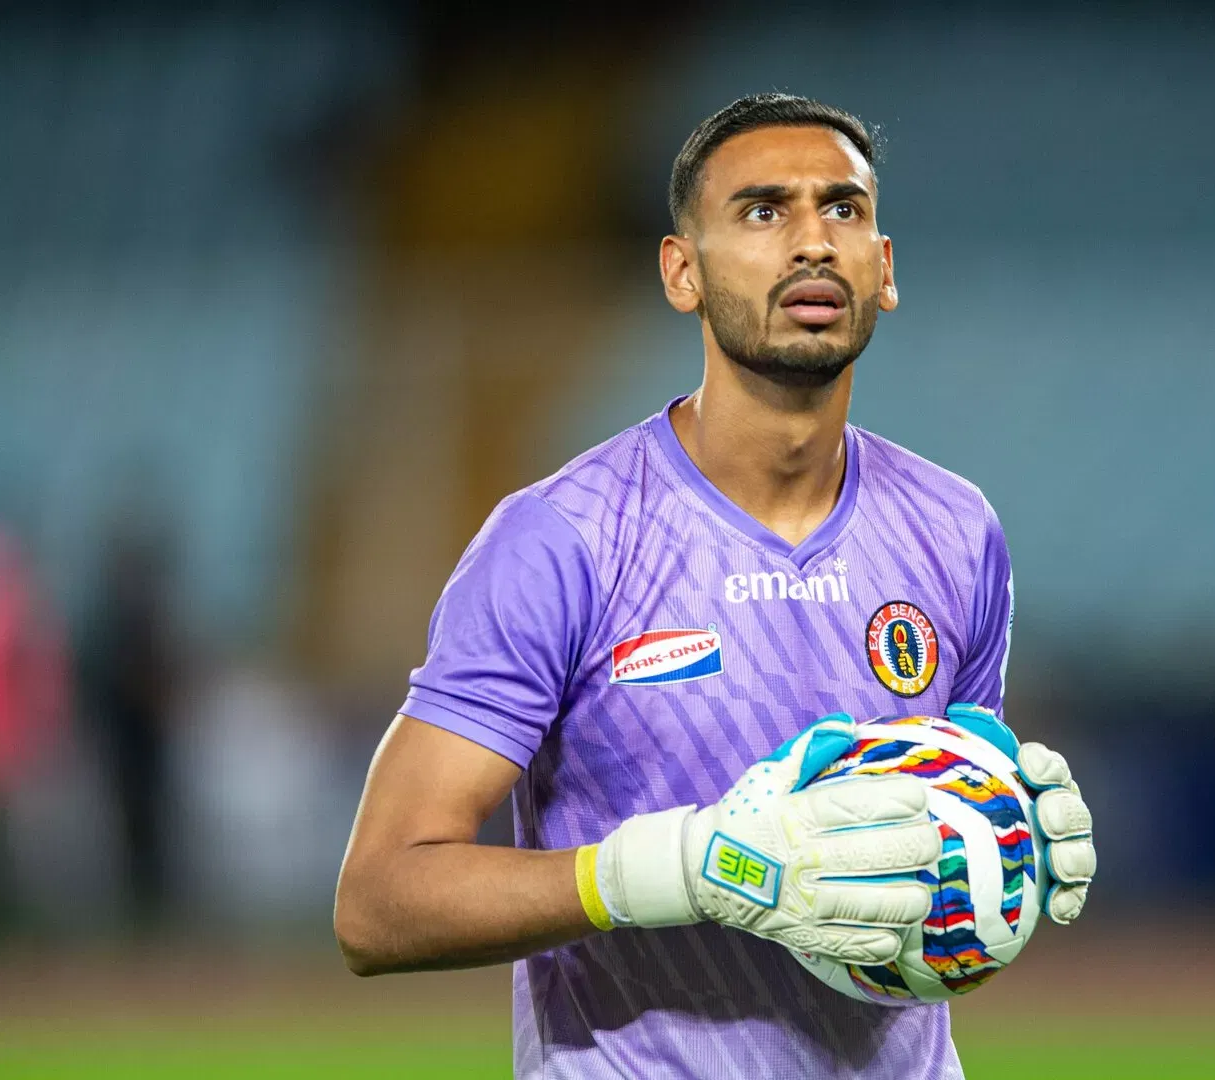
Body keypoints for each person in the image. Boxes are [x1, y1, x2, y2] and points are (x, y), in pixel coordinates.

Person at [334, 93, 1097, 1079]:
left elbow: (924, 841)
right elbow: (378, 904)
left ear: (883, 269)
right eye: (763, 211)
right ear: (680, 272)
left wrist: (1005, 842)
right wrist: (679, 871)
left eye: (842, 209)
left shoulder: (954, 529)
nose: (812, 242)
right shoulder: (562, 540)